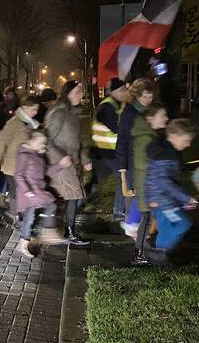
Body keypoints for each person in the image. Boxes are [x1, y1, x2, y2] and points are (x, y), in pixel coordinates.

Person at [144, 118, 199, 264]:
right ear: (174, 136)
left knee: (165, 226)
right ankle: (160, 252)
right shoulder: (166, 155)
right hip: (163, 201)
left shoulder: (166, 152)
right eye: (186, 140)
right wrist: (185, 198)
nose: (189, 144)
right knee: (183, 224)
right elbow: (165, 182)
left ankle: (160, 251)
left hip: (160, 198)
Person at [45, 81, 92, 246]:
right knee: (74, 195)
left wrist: (86, 160)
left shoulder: (73, 113)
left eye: (81, 92)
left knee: (73, 196)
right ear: (68, 94)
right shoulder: (58, 113)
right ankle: (68, 231)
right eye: (77, 92)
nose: (81, 95)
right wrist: (60, 159)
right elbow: (47, 139)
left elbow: (78, 141)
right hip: (61, 163)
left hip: (73, 162)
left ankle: (61, 227)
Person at [115, 78, 157, 237]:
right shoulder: (129, 113)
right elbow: (123, 140)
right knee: (133, 196)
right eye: (145, 97)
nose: (148, 100)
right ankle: (134, 229)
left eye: (150, 97)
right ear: (137, 95)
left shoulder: (151, 111)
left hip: (149, 160)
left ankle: (145, 230)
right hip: (133, 161)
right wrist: (122, 165)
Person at [13, 129, 64, 258]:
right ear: (33, 141)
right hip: (28, 194)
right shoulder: (24, 155)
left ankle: (45, 232)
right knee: (31, 217)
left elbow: (45, 172)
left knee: (45, 209)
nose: (44, 146)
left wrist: (60, 165)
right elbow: (18, 176)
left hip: (38, 191)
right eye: (41, 143)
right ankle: (29, 240)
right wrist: (28, 193)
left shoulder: (38, 156)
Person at [0, 96, 42, 220]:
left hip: (24, 165)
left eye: (37, 110)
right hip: (12, 166)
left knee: (21, 190)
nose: (35, 112)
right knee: (16, 191)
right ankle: (16, 215)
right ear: (24, 108)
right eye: (33, 109)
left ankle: (19, 214)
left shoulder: (30, 123)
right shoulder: (15, 123)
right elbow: (1, 140)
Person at [130, 104, 169, 265]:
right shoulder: (146, 137)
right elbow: (141, 162)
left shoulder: (149, 135)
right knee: (147, 218)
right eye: (162, 115)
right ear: (151, 118)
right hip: (147, 185)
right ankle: (141, 253)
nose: (166, 119)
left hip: (148, 184)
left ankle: (143, 251)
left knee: (148, 218)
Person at [91, 78, 129, 220]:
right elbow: (116, 128)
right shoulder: (108, 106)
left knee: (96, 183)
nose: (125, 92)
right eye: (123, 90)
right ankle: (119, 211)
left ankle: (118, 210)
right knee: (124, 178)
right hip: (109, 152)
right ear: (116, 91)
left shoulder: (113, 104)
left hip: (104, 151)